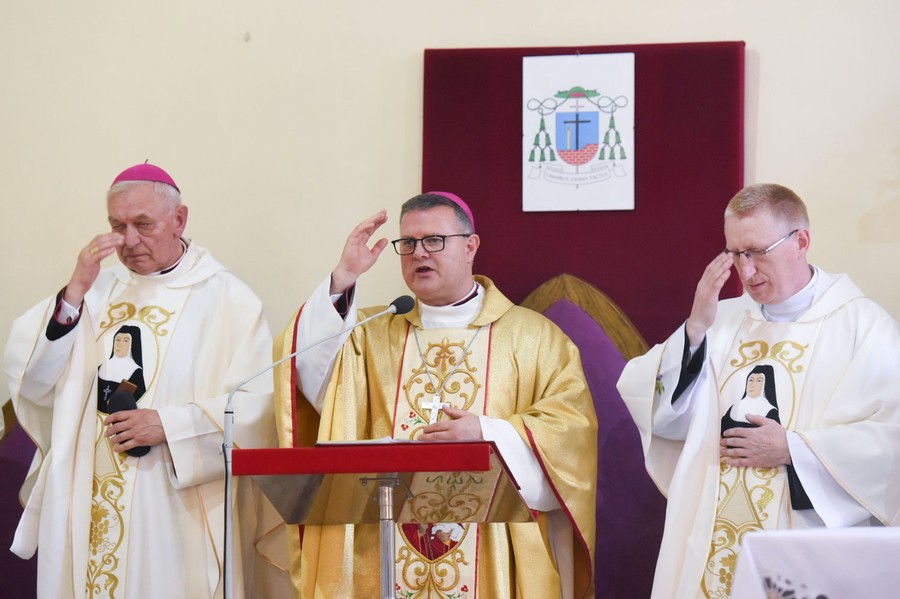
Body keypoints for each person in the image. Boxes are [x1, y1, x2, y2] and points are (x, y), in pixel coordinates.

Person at [273, 192, 598, 598]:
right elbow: (308, 377)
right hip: (386, 550)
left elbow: (570, 435)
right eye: (407, 243)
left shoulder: (533, 338)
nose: (418, 254)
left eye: (434, 241)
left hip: (492, 552)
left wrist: (490, 432)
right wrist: (343, 279)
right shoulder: (372, 335)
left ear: (470, 246)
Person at [3, 163, 289, 598]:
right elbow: (33, 383)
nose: (130, 241)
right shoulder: (94, 292)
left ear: (180, 219)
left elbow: (257, 407)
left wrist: (172, 426)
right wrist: (74, 293)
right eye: (117, 226)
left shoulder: (228, 299)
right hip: (89, 496)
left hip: (174, 503)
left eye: (142, 224)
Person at [616, 183, 900, 599]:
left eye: (757, 252)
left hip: (806, 546)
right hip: (711, 542)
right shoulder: (721, 320)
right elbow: (656, 408)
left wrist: (795, 449)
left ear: (800, 241)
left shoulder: (863, 327)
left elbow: (890, 441)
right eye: (734, 254)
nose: (745, 272)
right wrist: (694, 331)